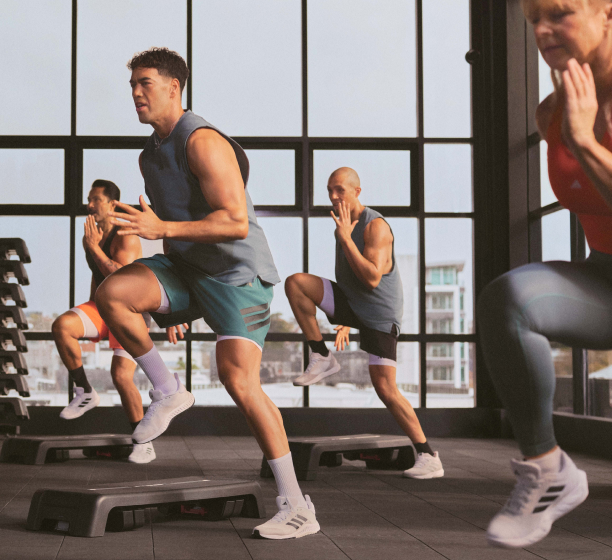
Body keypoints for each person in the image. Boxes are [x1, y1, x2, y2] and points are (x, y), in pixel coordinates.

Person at [95, 47, 318, 540]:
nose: (135, 93)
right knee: (115, 294)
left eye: (145, 83)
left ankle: (296, 504)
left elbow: (235, 222)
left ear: (174, 87)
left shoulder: (204, 141)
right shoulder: (149, 153)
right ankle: (169, 391)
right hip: (187, 267)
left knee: (239, 382)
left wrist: (161, 226)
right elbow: (171, 227)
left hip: (237, 276)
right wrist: (162, 257)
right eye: (132, 84)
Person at [477, 0, 611, 548]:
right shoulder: (553, 111)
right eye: (534, 19)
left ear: (607, 14)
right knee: (510, 298)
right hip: (604, 278)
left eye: (559, 12)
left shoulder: (575, 123)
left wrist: (587, 143)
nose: (543, 30)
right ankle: (549, 467)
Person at [283, 168, 444, 480]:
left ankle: (428, 455)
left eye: (340, 190)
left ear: (357, 191)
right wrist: (344, 319)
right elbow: (349, 278)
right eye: (329, 190)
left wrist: (345, 238)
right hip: (354, 304)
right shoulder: (342, 225)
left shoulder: (376, 227)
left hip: (380, 314)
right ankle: (321, 356)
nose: (333, 196)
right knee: (297, 284)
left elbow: (371, 278)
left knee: (385, 388)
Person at [52, 180, 155, 463]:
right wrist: (87, 316)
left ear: (111, 203)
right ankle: (84, 391)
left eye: (95, 199)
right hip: (102, 306)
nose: (89, 205)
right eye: (89, 199)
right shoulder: (94, 234)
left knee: (121, 376)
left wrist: (94, 249)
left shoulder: (126, 236)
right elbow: (98, 279)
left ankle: (144, 442)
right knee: (62, 326)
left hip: (128, 310)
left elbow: (120, 278)